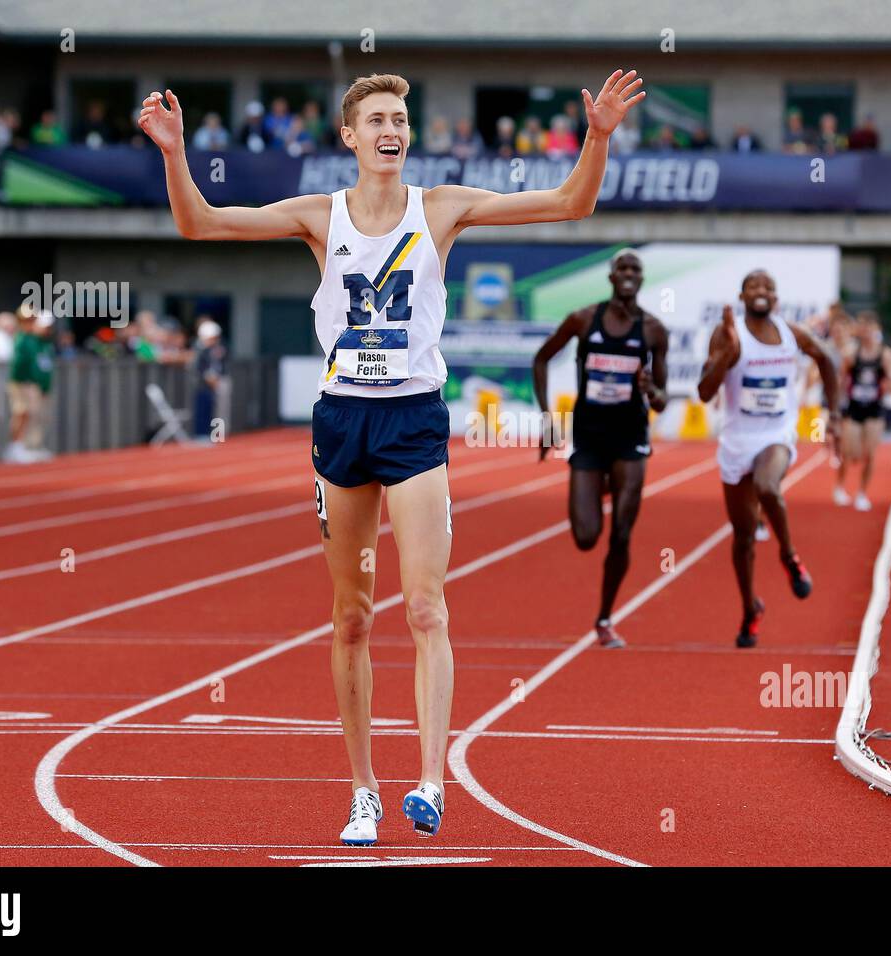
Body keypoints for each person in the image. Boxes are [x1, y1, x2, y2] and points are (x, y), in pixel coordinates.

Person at [138, 69, 644, 845]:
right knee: (350, 617)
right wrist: (174, 153)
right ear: (349, 135)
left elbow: (571, 203)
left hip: (412, 422)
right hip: (344, 422)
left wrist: (599, 137)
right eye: (376, 118)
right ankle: (363, 792)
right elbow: (200, 224)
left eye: (401, 119)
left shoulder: (440, 208)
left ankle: (432, 782)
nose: (392, 131)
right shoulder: (318, 216)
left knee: (426, 607)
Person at [531, 249, 669, 649]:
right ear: (611, 277)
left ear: (641, 280)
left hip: (630, 438)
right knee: (586, 536)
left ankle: (605, 617)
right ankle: (602, 483)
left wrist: (651, 390)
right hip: (589, 435)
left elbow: (661, 401)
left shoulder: (654, 331)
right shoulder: (582, 319)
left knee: (622, 534)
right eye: (622, 268)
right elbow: (541, 359)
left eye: (635, 269)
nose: (628, 274)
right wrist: (545, 418)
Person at [697, 270, 840, 648]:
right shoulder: (728, 334)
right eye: (754, 286)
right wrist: (727, 355)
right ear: (742, 295)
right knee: (743, 537)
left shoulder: (792, 333)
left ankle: (790, 556)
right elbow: (704, 390)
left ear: (776, 297)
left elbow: (826, 360)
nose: (761, 291)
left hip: (776, 434)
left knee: (768, 486)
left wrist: (835, 415)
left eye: (768, 287)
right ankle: (750, 608)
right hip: (736, 441)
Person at [833, 311, 891, 511]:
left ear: (877, 330)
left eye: (870, 329)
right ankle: (840, 486)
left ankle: (862, 492)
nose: (867, 333)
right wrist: (836, 405)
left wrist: (889, 384)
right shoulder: (851, 354)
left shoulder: (885, 354)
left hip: (874, 408)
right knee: (849, 453)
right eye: (863, 329)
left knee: (870, 454)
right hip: (854, 407)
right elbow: (841, 379)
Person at [6, 308, 55, 462]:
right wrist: (24, 380)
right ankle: (17, 446)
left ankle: (30, 446)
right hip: (23, 383)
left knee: (34, 415)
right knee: (22, 413)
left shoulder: (39, 341)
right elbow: (19, 363)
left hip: (33, 384)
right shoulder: (23, 339)